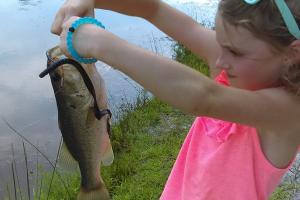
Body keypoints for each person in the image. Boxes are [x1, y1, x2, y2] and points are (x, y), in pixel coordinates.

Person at [51, 0, 300, 199]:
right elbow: (154, 9)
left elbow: (203, 97)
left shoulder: (288, 112)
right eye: (220, 42)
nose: (220, 60)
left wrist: (99, 43)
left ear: (292, 54)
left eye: (234, 51)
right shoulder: (236, 64)